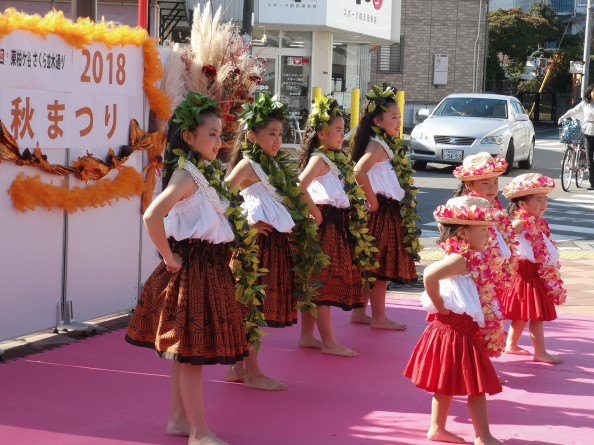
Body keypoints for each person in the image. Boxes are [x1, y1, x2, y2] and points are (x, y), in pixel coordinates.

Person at [125, 93, 250, 445]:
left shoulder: (201, 174)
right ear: (189, 137)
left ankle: (179, 420)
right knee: (192, 355)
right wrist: (168, 256)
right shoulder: (186, 176)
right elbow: (152, 215)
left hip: (209, 267)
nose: (219, 141)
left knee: (186, 355)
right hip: (193, 270)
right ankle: (199, 431)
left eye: (220, 133)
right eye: (211, 133)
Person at [224, 93, 327, 389]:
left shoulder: (281, 169)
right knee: (250, 308)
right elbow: (218, 200)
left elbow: (313, 212)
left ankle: (239, 368)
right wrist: (246, 227)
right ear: (253, 136)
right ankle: (250, 372)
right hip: (254, 246)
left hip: (276, 247)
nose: (277, 140)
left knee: (253, 308)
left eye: (280, 134)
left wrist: (301, 228)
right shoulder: (247, 167)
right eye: (271, 134)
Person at [404, 196, 504, 445]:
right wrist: (439, 306)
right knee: (476, 386)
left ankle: (437, 429)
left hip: (458, 329)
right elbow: (429, 274)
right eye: (483, 230)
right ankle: (483, 435)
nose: (487, 235)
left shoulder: (470, 257)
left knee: (445, 384)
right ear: (463, 232)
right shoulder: (460, 259)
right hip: (456, 330)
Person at [296, 94, 377, 357]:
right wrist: (315, 215)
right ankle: (328, 341)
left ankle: (308, 336)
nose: (343, 135)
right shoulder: (319, 159)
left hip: (338, 222)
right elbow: (299, 186)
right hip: (326, 224)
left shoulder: (334, 158)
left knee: (315, 281)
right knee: (322, 282)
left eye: (344, 130)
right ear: (321, 133)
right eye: (338, 131)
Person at [349, 83, 420, 330]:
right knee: (379, 268)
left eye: (399, 117)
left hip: (385, 210)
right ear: (378, 121)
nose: (399, 121)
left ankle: (360, 313)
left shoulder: (381, 144)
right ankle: (378, 317)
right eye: (394, 117)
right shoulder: (377, 146)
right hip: (381, 212)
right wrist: (373, 200)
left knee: (372, 266)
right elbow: (359, 171)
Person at [452, 152, 517, 359]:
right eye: (486, 183)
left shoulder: (494, 207)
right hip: (473, 278)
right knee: (475, 322)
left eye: (496, 182)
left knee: (490, 322)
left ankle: (482, 365)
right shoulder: (462, 208)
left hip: (491, 277)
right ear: (469, 185)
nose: (493, 188)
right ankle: (474, 365)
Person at [502, 173, 566, 364]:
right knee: (535, 314)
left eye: (545, 199)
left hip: (533, 271)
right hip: (526, 272)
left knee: (524, 313)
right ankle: (540, 352)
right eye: (539, 200)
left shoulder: (537, 221)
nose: (544, 204)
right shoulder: (521, 221)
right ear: (522, 205)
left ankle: (511, 345)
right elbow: (507, 235)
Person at [558, 84, 594, 189]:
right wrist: (562, 117)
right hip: (587, 132)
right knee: (589, 159)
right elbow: (573, 111)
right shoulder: (585, 104)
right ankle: (593, 183)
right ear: (590, 93)